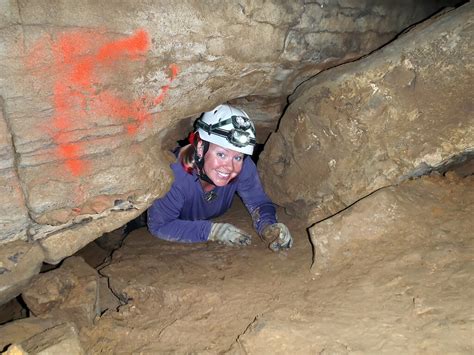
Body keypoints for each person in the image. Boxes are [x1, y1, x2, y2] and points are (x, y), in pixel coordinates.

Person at [147, 104, 293, 251]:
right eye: (221, 154)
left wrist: (268, 225)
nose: (230, 167)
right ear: (199, 148)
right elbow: (160, 225)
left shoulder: (243, 167)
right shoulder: (175, 174)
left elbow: (258, 202)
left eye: (237, 157)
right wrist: (211, 231)